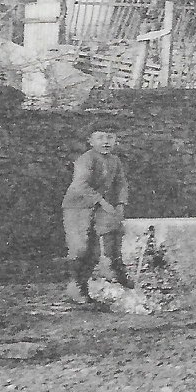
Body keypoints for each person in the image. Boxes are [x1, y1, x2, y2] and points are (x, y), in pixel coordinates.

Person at [61, 130, 130, 304]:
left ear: (116, 140)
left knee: (95, 250)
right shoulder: (86, 159)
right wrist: (102, 201)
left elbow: (121, 183)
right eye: (100, 138)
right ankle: (75, 286)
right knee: (80, 248)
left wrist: (121, 203)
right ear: (90, 141)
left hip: (96, 208)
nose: (105, 142)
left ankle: (83, 288)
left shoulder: (115, 161)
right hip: (77, 206)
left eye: (110, 137)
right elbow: (80, 184)